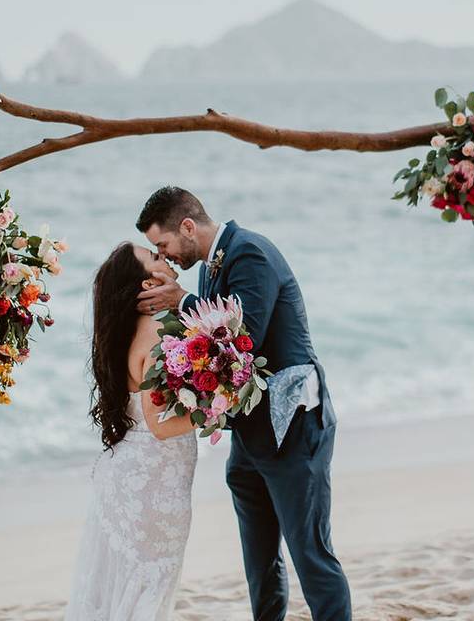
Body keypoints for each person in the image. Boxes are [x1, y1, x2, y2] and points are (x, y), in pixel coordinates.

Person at [136, 185, 351, 621]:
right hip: (252, 435)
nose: (166, 255)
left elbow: (241, 337)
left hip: (293, 426)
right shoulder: (210, 266)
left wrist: (182, 301)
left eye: (163, 244)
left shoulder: (249, 252)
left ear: (188, 226)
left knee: (310, 551)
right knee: (260, 559)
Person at [63, 241, 198, 621]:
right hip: (152, 483)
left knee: (127, 586)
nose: (165, 259)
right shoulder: (155, 331)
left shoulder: (129, 330)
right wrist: (222, 410)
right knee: (150, 585)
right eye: (155, 259)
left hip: (136, 478)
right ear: (145, 285)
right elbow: (160, 424)